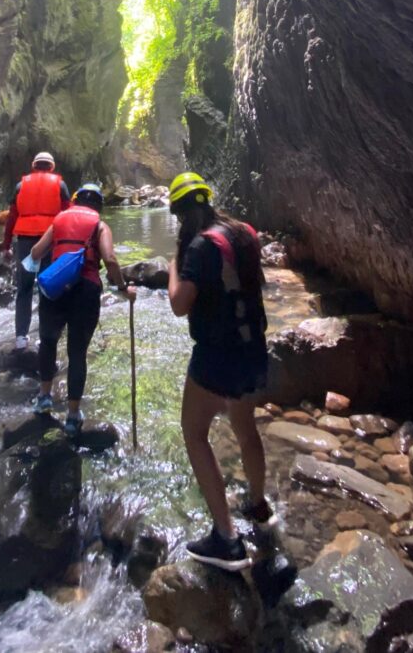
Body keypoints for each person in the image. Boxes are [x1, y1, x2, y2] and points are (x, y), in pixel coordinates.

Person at [166, 171, 274, 571]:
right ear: (208, 200)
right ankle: (259, 507)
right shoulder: (243, 232)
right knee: (246, 430)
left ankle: (227, 540)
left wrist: (172, 265)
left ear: (179, 212)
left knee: (194, 434)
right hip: (253, 349)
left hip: (217, 357)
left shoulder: (198, 248)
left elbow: (179, 304)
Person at [30, 183, 135, 435]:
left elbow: (35, 252)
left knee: (48, 342)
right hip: (85, 291)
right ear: (98, 205)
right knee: (77, 353)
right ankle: (73, 416)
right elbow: (110, 259)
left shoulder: (59, 220)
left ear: (75, 201)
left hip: (54, 290)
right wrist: (122, 287)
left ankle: (44, 398)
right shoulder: (100, 225)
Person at [0, 151, 71, 350]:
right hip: (50, 240)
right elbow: (68, 215)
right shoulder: (60, 185)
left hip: (25, 243)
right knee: (47, 288)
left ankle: (21, 337)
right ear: (52, 167)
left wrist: (6, 246)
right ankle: (45, 337)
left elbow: (12, 218)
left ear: (34, 165)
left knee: (24, 289)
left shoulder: (20, 186)